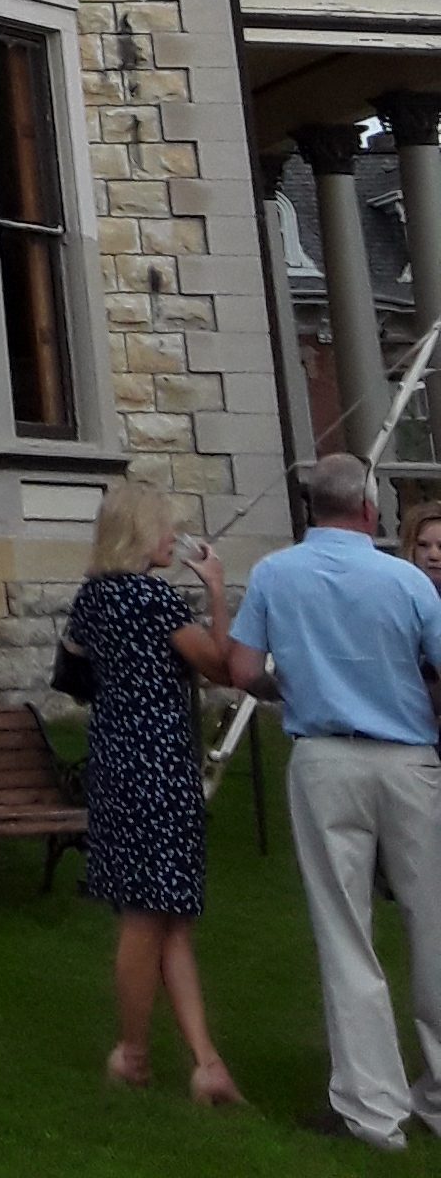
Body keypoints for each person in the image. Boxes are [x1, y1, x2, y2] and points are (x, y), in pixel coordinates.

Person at [229, 450, 441, 1148]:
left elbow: (242, 668)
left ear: (310, 507)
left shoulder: (275, 573)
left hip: (323, 756)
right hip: (409, 759)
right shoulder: (406, 579)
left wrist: (292, 683)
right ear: (370, 509)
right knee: (434, 924)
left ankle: (372, 1111)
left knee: (344, 932)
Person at [59, 479, 239, 1104]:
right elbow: (219, 664)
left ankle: (207, 1063)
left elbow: (79, 670)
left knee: (167, 916)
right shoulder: (153, 598)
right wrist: (215, 587)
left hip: (115, 758)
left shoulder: (93, 597)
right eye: (166, 529)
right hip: (157, 763)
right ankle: (132, 1053)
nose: (174, 540)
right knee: (149, 917)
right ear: (140, 533)